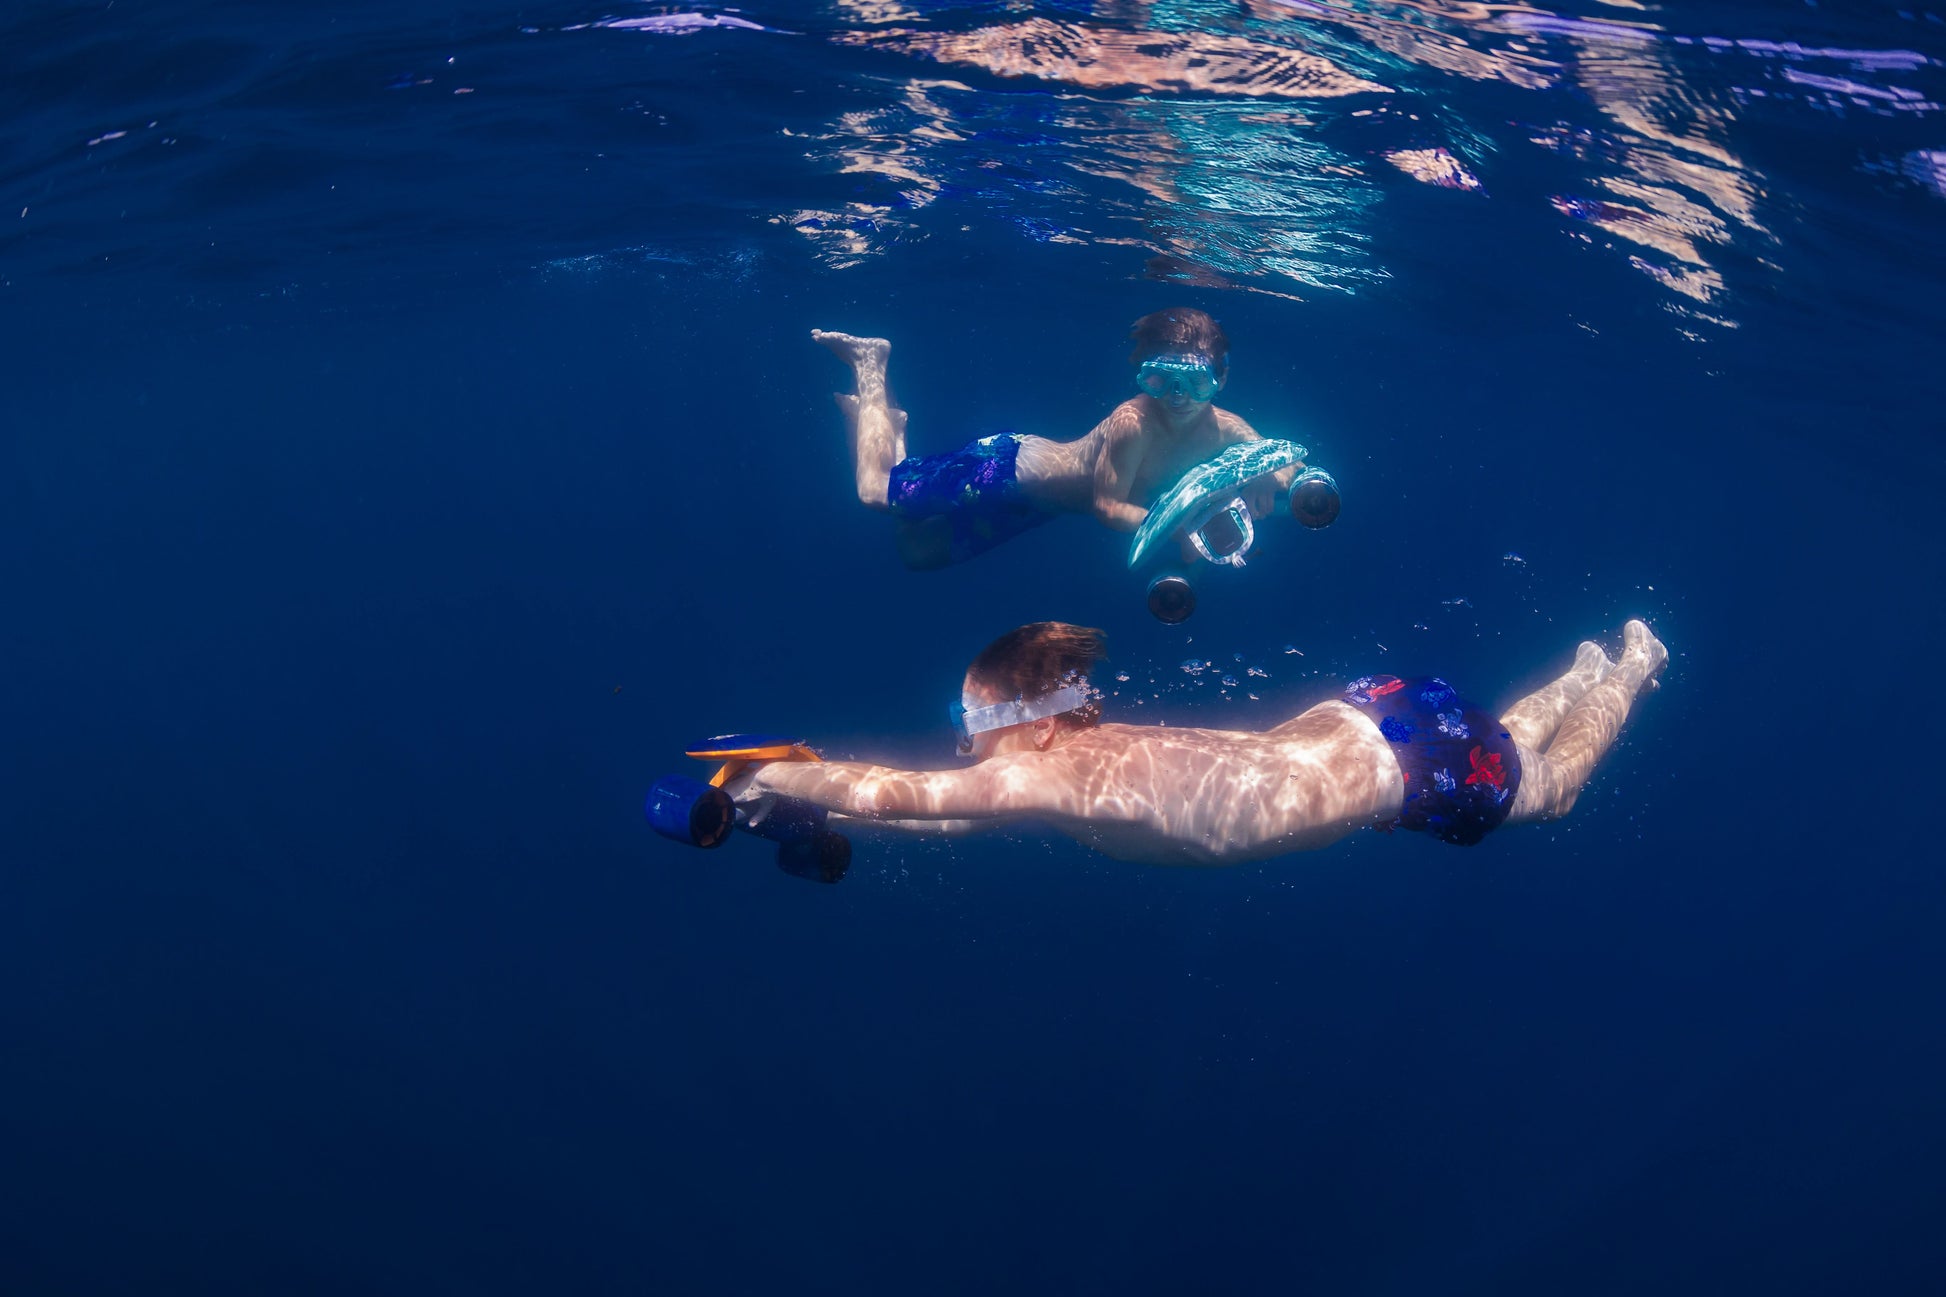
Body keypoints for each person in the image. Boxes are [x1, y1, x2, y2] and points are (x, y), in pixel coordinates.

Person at [730, 619, 1669, 865]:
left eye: (975, 724)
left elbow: (900, 790)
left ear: (1043, 724)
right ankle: (1578, 675)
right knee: (1506, 744)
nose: (964, 745)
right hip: (1378, 713)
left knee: (1554, 788)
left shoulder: (1044, 778)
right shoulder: (1073, 765)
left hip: (1404, 764)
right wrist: (808, 795)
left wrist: (772, 771)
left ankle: (1632, 669)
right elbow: (935, 814)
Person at [813, 307, 1299, 570]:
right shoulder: (1133, 423)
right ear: (1141, 376)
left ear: (1221, 378)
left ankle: (886, 425)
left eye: (1195, 382)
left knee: (917, 553)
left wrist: (1270, 476)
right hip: (1006, 469)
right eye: (1160, 379)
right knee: (874, 491)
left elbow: (1282, 460)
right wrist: (1181, 525)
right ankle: (871, 362)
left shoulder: (1227, 428)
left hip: (1038, 506)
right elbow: (1108, 507)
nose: (1177, 396)